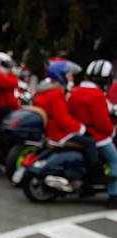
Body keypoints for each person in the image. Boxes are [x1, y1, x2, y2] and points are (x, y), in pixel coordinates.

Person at [34, 60, 103, 181]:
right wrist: (81, 128)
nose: (71, 78)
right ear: (61, 76)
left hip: (51, 129)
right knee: (90, 142)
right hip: (58, 132)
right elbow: (62, 118)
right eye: (69, 75)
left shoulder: (45, 90)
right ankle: (95, 174)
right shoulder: (56, 93)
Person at [68, 60, 117, 206]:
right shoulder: (97, 95)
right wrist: (111, 131)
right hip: (97, 135)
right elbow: (102, 122)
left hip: (78, 133)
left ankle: (88, 187)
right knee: (115, 160)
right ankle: (114, 196)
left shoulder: (74, 92)